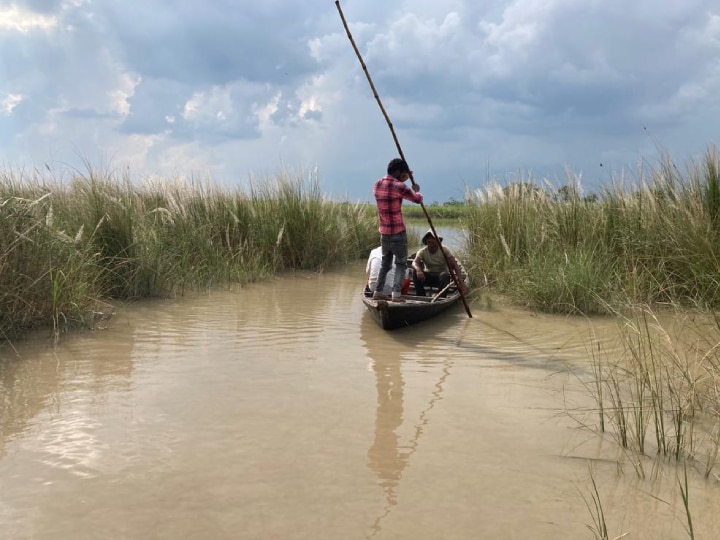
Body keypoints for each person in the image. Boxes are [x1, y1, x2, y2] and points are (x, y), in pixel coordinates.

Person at [372, 158, 423, 303]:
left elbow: (393, 190)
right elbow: (417, 199)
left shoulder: (377, 184)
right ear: (399, 172)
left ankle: (378, 292)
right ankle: (396, 294)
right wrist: (416, 190)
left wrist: (404, 178)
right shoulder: (399, 186)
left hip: (384, 233)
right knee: (401, 263)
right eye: (403, 173)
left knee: (385, 263)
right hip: (398, 233)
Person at [412, 229, 468, 297]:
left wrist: (461, 283)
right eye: (428, 238)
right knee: (414, 271)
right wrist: (418, 270)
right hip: (428, 277)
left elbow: (455, 265)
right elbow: (414, 262)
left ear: (437, 241)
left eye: (432, 238)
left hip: (441, 278)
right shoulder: (423, 251)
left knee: (445, 275)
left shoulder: (444, 250)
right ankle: (421, 296)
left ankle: (440, 297)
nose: (430, 240)